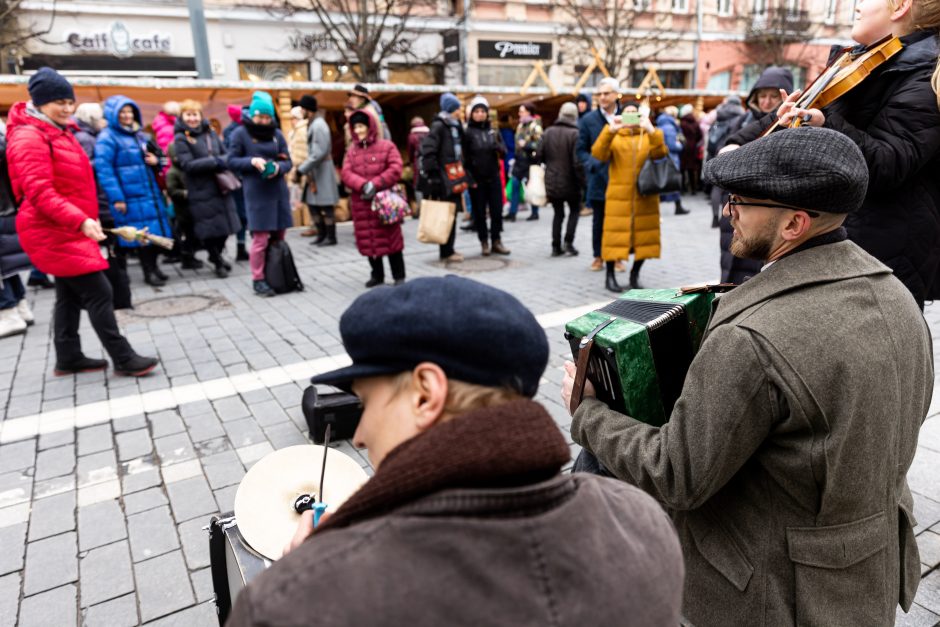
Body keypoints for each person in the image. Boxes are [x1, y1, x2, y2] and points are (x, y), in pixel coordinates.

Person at [564, 126, 934, 626]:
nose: (725, 210)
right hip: (862, 574)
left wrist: (587, 412)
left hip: (775, 593)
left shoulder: (752, 337)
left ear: (794, 224)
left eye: (739, 200)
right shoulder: (896, 297)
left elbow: (676, 476)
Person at [228, 275, 684, 627]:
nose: (361, 433)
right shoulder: (640, 521)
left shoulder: (298, 603)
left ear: (426, 393)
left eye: (365, 404)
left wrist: (309, 574)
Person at [731, 2, 940, 309]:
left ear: (900, 7)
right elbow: (809, 106)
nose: (857, 6)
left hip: (879, 251)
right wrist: (738, 143)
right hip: (845, 240)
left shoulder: (922, 77)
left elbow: (887, 163)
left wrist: (827, 123)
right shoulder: (860, 60)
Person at [7, 68, 158, 376]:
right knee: (99, 291)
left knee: (69, 295)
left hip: (65, 226)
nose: (67, 108)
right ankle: (123, 357)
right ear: (39, 102)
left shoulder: (56, 130)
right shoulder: (29, 136)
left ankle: (69, 356)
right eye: (58, 102)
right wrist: (79, 220)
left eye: (69, 101)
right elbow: (39, 191)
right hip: (52, 228)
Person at [717, 66, 794, 285]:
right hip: (733, 205)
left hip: (762, 211)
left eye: (772, 96)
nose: (767, 102)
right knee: (730, 268)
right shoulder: (742, 122)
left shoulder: (791, 126)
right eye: (762, 96)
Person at [95, 95, 174, 287]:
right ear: (114, 115)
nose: (127, 115)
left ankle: (154, 268)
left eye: (129, 111)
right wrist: (117, 198)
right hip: (129, 197)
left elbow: (157, 158)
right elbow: (104, 170)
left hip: (149, 193)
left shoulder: (139, 135)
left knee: (153, 233)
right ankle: (148, 272)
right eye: (122, 112)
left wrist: (156, 162)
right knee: (141, 237)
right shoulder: (108, 138)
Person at [591, 102, 667, 293]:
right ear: (621, 116)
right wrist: (610, 129)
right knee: (613, 237)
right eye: (627, 113)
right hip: (618, 196)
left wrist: (651, 129)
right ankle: (610, 277)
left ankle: (634, 275)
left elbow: (661, 154)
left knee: (645, 238)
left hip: (645, 196)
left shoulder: (648, 135)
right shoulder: (614, 136)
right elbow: (598, 154)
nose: (631, 116)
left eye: (635, 113)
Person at [226, 91, 293, 297]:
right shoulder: (240, 133)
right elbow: (231, 161)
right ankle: (258, 278)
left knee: (279, 236)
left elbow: (287, 161)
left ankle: (277, 273)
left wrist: (278, 168)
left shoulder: (277, 134)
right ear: (252, 115)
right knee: (260, 239)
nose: (264, 121)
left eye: (267, 117)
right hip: (256, 192)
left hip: (278, 191)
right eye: (260, 117)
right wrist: (252, 161)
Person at [73, 102, 132, 309]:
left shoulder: (87, 137)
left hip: (99, 201)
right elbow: (93, 172)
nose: (104, 122)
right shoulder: (86, 139)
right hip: (99, 202)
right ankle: (118, 298)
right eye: (101, 118)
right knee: (110, 252)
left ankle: (117, 296)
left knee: (110, 251)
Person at [172, 99, 240, 279]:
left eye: (195, 114)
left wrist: (222, 161)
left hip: (220, 186)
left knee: (226, 228)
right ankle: (217, 261)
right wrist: (214, 162)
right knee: (209, 230)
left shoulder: (210, 132)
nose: (192, 118)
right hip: (200, 189)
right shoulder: (181, 137)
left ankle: (214, 255)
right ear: (182, 117)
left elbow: (225, 153)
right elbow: (187, 164)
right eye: (188, 114)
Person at [341, 110, 405, 287]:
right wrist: (362, 185)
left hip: (384, 202)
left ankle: (399, 276)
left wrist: (375, 184)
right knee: (369, 241)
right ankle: (377, 275)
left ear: (370, 127)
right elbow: (346, 173)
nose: (359, 130)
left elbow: (395, 167)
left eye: (361, 126)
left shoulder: (387, 146)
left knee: (392, 241)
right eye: (356, 127)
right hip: (363, 203)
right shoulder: (351, 152)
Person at [577, 77, 624, 273]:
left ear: (616, 95)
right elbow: (580, 150)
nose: (602, 97)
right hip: (598, 179)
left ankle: (618, 258)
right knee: (599, 220)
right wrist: (592, 164)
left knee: (619, 221)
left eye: (606, 93)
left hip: (622, 178)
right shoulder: (588, 120)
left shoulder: (628, 116)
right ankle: (598, 257)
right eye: (600, 94)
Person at [419, 92, 468, 263]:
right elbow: (428, 151)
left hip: (453, 177)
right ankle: (446, 251)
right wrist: (434, 176)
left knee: (452, 214)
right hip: (443, 180)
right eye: (456, 108)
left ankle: (449, 249)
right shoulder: (440, 126)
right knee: (447, 215)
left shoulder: (454, 126)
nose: (459, 111)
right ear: (450, 109)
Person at [536, 101, 585, 257]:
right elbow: (577, 162)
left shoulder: (548, 132)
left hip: (552, 179)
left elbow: (539, 155)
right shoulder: (576, 134)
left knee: (558, 213)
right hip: (571, 181)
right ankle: (569, 243)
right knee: (574, 211)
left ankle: (555, 246)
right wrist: (583, 182)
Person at [463, 96, 510, 256]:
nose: (480, 114)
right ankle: (484, 242)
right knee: (480, 213)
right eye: (477, 111)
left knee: (497, 211)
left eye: (483, 111)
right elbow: (464, 159)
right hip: (477, 180)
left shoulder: (493, 131)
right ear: (472, 114)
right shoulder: (467, 132)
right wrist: (469, 179)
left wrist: (497, 147)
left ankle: (496, 240)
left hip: (493, 177)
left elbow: (504, 151)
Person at [0, 120, 32, 338]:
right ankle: (19, 307)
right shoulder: (4, 140)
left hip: (3, 210)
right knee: (5, 266)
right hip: (7, 209)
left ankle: (8, 313)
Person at [296, 95, 339, 247]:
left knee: (326, 205)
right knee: (312, 204)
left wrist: (301, 169)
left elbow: (319, 152)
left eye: (302, 108)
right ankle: (322, 234)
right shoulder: (314, 122)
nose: (301, 111)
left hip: (322, 170)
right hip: (316, 171)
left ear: (308, 109)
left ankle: (331, 236)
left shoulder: (319, 125)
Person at [706, 95, 745, 229]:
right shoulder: (742, 114)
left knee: (716, 187)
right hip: (733, 151)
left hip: (717, 151)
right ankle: (729, 216)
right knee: (729, 188)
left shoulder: (719, 113)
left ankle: (715, 218)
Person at [506, 102, 542, 222]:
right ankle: (512, 212)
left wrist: (526, 146)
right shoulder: (520, 126)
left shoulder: (535, 126)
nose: (519, 113)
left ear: (529, 112)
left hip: (530, 161)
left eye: (522, 111)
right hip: (519, 160)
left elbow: (540, 143)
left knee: (531, 186)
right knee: (515, 184)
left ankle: (535, 211)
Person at [222, 103, 249, 262]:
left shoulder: (229, 131)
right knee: (243, 215)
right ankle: (240, 248)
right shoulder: (236, 132)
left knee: (242, 215)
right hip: (240, 179)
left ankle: (241, 247)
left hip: (238, 178)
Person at [287, 105, 315, 237]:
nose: (291, 120)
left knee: (305, 197)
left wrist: (299, 167)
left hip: (302, 169)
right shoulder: (295, 131)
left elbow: (303, 152)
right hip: (297, 168)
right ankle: (303, 224)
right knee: (298, 198)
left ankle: (309, 224)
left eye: (293, 118)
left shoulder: (302, 130)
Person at [655, 105, 688, 215]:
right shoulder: (669, 127)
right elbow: (672, 146)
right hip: (671, 159)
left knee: (663, 183)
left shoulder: (662, 124)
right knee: (673, 182)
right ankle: (678, 207)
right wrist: (681, 145)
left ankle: (676, 207)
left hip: (663, 159)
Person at [678, 104, 703, 195]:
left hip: (683, 147)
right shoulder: (695, 123)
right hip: (693, 148)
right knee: (691, 169)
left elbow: (679, 135)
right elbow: (700, 135)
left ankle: (683, 189)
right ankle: (693, 189)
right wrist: (694, 142)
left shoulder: (681, 123)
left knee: (682, 169)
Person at [406, 116, 429, 209]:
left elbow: (410, 151)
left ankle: (421, 207)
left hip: (418, 162)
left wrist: (411, 161)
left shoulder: (412, 136)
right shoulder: (429, 133)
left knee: (418, 184)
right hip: (429, 160)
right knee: (429, 182)